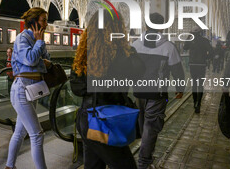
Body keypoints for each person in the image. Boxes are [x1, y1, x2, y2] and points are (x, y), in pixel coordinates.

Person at [70, 10, 145, 169]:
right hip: (108, 121)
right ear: (119, 29)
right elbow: (140, 72)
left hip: (88, 117)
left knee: (93, 166)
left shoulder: (85, 53)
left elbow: (76, 88)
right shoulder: (125, 54)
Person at [131, 13, 185, 169]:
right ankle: (144, 162)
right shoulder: (169, 46)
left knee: (144, 126)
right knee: (150, 127)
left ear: (146, 26)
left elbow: (128, 68)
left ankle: (145, 154)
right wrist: (179, 89)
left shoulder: (135, 44)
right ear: (162, 27)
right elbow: (177, 71)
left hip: (138, 92)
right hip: (157, 93)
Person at [5, 7, 51, 169]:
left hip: (33, 90)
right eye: (43, 20)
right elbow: (31, 60)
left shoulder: (39, 40)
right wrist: (39, 45)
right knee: (37, 134)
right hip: (22, 90)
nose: (46, 24)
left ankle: (9, 166)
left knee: (20, 132)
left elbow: (47, 62)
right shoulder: (22, 38)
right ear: (33, 22)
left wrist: (40, 47)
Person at [183, 26, 213, 113]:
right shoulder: (205, 40)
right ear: (200, 32)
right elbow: (211, 52)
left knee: (194, 85)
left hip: (193, 65)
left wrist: (189, 36)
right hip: (201, 65)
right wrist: (205, 58)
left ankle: (194, 102)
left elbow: (185, 47)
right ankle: (198, 104)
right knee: (200, 85)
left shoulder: (191, 40)